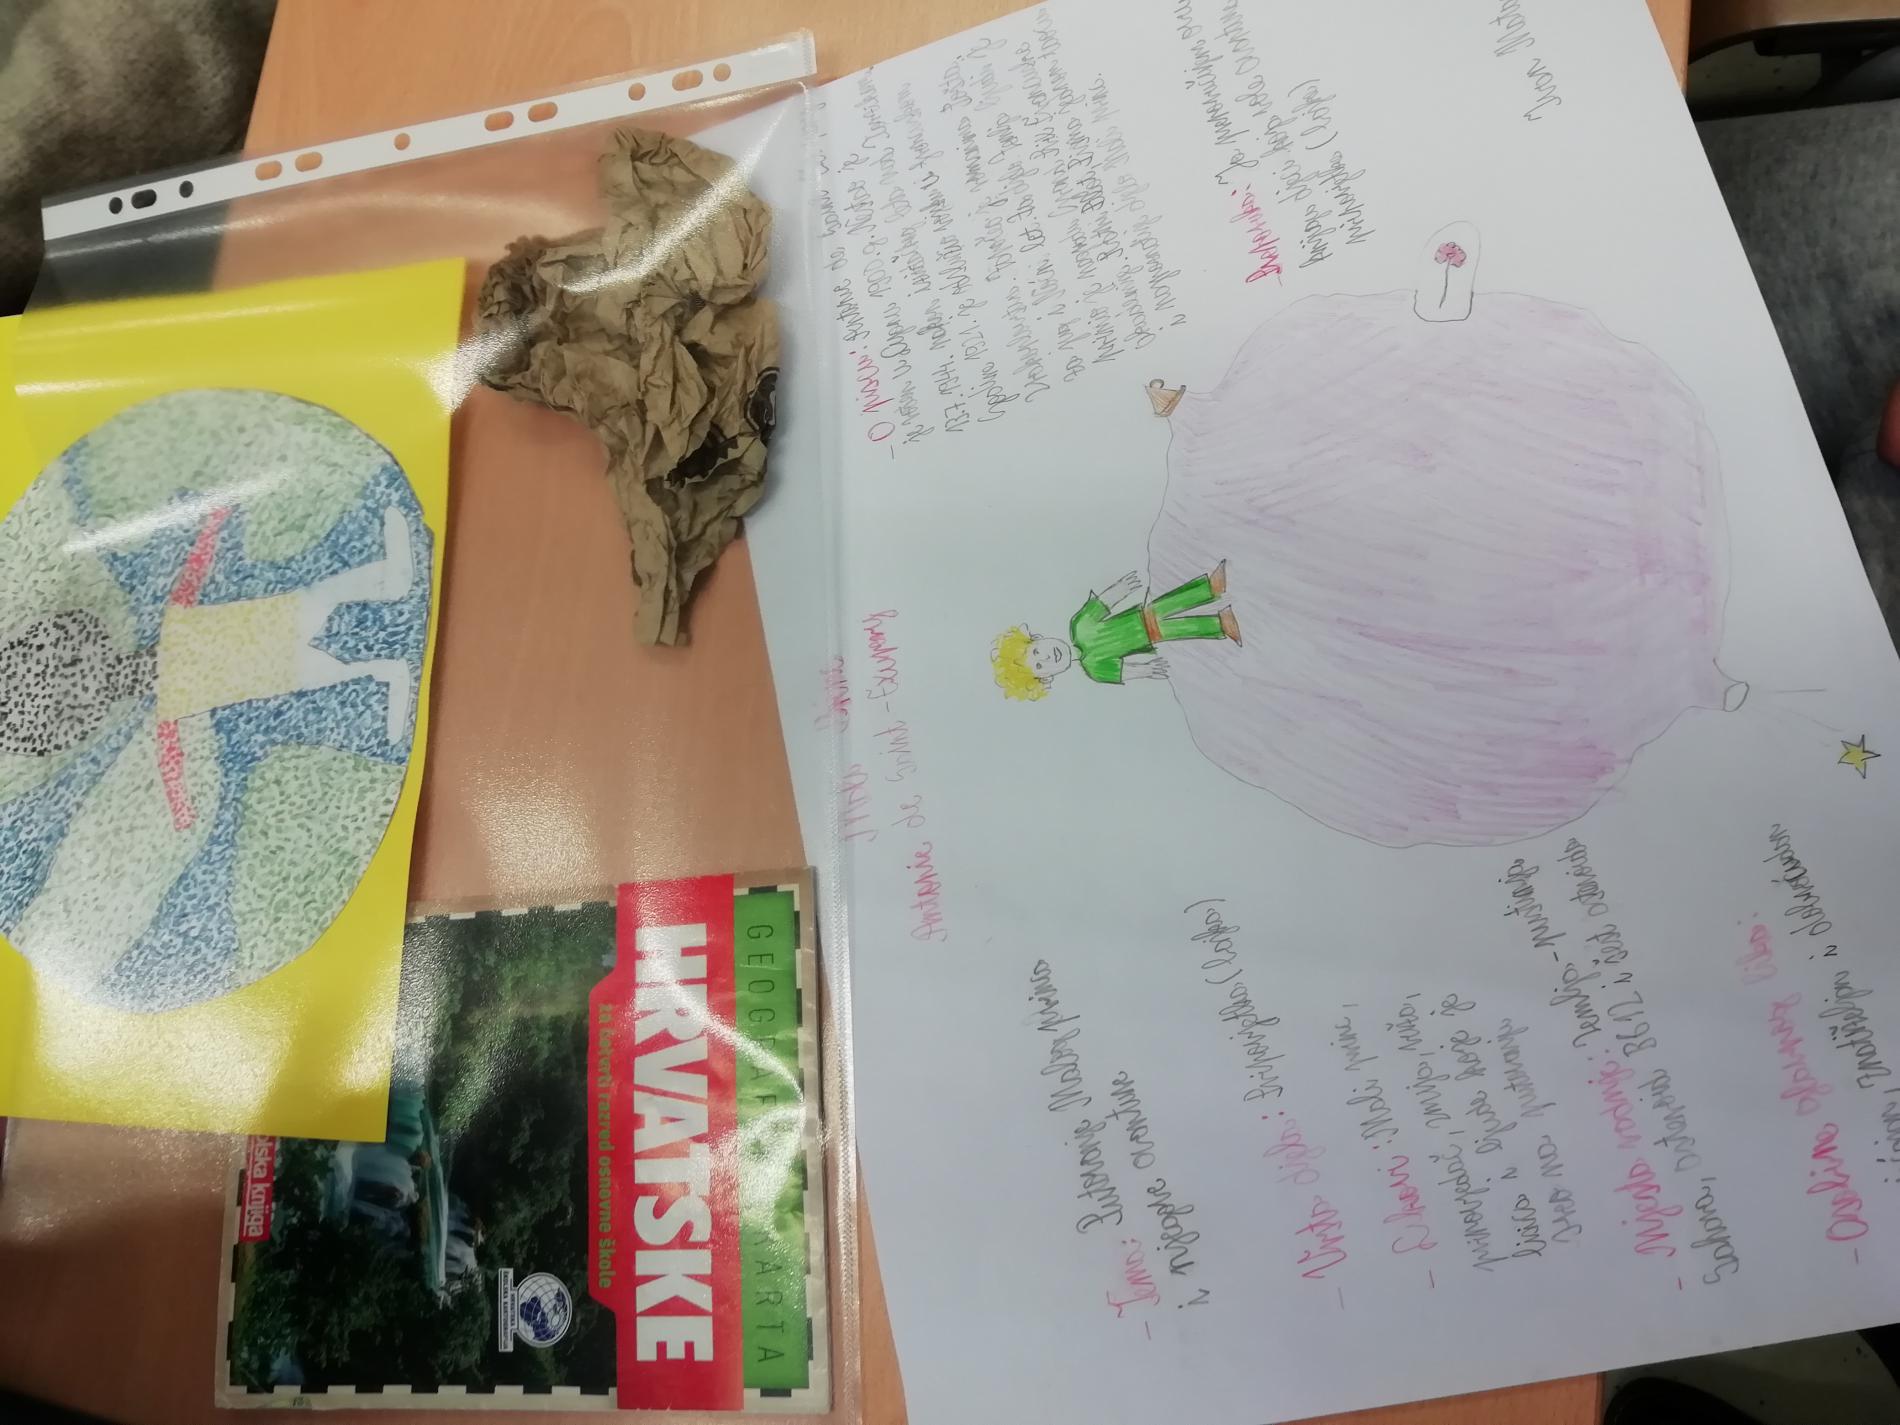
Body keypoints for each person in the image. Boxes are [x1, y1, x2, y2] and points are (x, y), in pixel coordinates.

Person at [0, 503, 414, 828]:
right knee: (314, 642)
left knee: (312, 612)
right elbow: (170, 751)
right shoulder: (172, 680)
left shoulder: (174, 639)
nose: (89, 682)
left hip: (257, 638)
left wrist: (212, 526)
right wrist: (180, 805)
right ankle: (384, 666)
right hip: (265, 666)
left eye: (75, 672)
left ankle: (387, 610)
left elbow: (192, 577)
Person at [991, 562, 1240, 700]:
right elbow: (1125, 671)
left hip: (1142, 614)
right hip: (1151, 636)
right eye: (1039, 666)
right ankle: (1220, 624)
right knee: (1179, 628)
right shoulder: (1095, 670)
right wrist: (1146, 670)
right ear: (1047, 678)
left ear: (1038, 638)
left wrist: (1121, 588)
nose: (1046, 657)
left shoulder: (1079, 625)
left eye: (1036, 651)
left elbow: (1102, 604)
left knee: (1170, 603)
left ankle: (1209, 587)